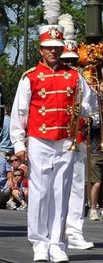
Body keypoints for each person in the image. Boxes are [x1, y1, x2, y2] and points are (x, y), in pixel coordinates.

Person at [10, 0, 96, 263]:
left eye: (57, 48)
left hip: (67, 142)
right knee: (40, 192)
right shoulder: (30, 77)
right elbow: (19, 113)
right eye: (49, 48)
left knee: (62, 191)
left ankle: (57, 243)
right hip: (40, 140)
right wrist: (19, 145)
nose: (53, 52)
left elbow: (89, 103)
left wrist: (82, 111)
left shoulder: (74, 76)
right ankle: (39, 242)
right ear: (41, 49)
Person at [58, 22, 97, 251]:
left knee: (75, 187)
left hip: (78, 140)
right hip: (55, 141)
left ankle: (74, 231)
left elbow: (91, 108)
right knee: (54, 189)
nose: (72, 65)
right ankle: (55, 232)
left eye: (74, 61)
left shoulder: (80, 80)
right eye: (68, 61)